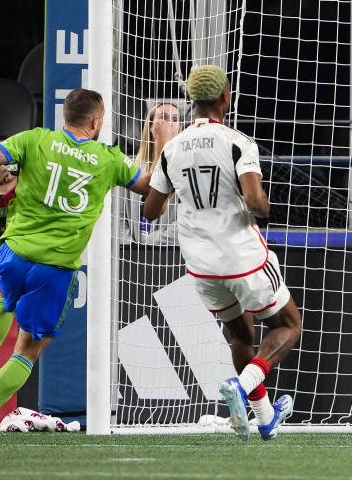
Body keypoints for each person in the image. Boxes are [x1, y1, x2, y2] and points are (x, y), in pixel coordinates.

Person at [0, 88, 152, 445]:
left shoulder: (35, 140)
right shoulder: (108, 159)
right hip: (54, 269)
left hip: (14, 254)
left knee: (6, 300)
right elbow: (150, 188)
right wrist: (160, 144)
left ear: (65, 117)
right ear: (96, 121)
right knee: (29, 349)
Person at [143, 65, 301, 442]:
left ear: (193, 102)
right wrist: (264, 205)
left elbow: (150, 211)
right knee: (288, 325)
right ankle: (244, 385)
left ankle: (264, 418)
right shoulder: (238, 142)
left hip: (201, 265)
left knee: (240, 336)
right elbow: (255, 201)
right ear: (225, 97)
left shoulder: (172, 148)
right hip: (242, 256)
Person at [122, 101, 181, 244]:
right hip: (129, 256)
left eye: (175, 120)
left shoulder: (183, 169)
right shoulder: (130, 166)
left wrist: (148, 241)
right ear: (151, 126)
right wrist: (131, 246)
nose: (169, 124)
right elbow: (118, 217)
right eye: (164, 118)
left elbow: (184, 225)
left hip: (169, 255)